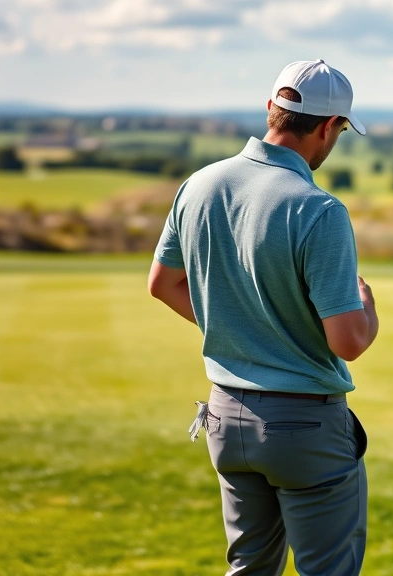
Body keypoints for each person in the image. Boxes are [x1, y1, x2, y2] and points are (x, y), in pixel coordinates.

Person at [148, 59, 379, 576]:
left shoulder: (199, 185)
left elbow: (163, 284)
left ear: (271, 109)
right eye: (339, 130)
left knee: (249, 569)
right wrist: (368, 307)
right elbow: (348, 341)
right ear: (327, 126)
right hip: (305, 427)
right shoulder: (319, 210)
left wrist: (238, 324)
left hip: (225, 418)